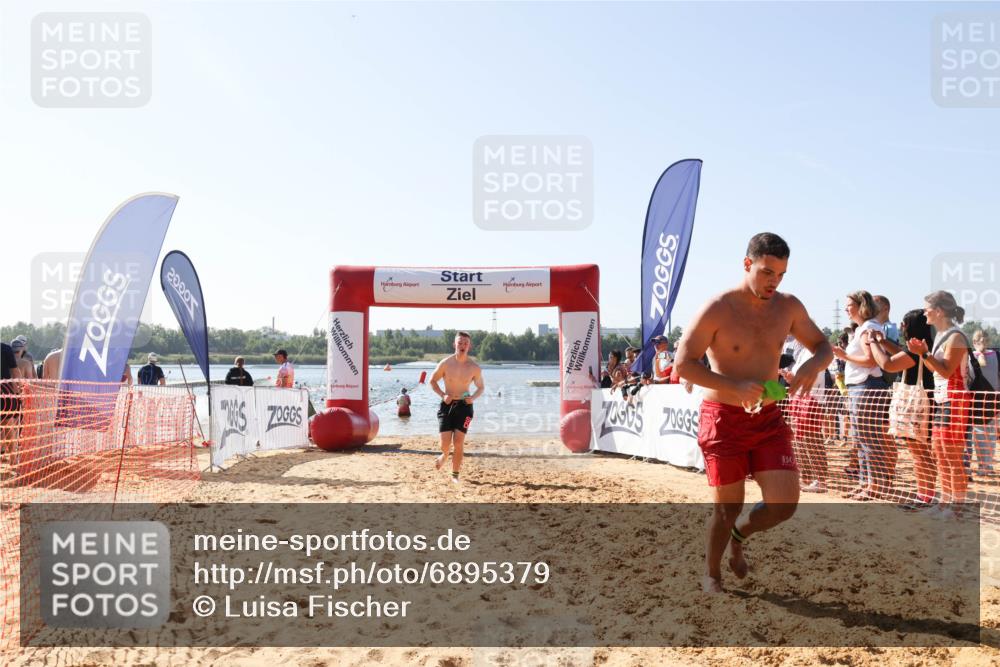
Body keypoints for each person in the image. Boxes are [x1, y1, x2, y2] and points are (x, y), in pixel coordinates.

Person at [674, 232, 832, 594]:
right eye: (767, 272)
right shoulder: (718, 307)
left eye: (780, 275)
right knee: (726, 509)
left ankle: (740, 535)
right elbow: (684, 364)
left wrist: (813, 366)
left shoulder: (788, 307)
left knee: (784, 505)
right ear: (747, 265)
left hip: (769, 415)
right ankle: (712, 574)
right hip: (723, 418)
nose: (774, 282)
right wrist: (735, 387)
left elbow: (824, 347)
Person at [905, 291, 971, 520]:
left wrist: (924, 353)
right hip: (944, 398)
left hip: (955, 399)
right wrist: (923, 354)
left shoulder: (956, 337)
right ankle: (944, 503)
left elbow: (946, 370)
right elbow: (936, 370)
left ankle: (957, 507)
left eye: (927, 309)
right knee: (939, 452)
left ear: (939, 311)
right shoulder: (944, 335)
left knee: (952, 454)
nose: (925, 313)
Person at [867, 309, 937, 509]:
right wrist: (882, 342)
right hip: (924, 406)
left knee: (919, 455)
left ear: (911, 327)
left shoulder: (915, 352)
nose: (901, 327)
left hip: (917, 409)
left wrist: (872, 343)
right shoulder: (924, 348)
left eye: (904, 324)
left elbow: (887, 364)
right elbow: (899, 351)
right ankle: (926, 495)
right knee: (922, 453)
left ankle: (924, 496)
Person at [831, 290, 889, 501]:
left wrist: (843, 355)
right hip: (860, 387)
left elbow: (871, 361)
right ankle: (866, 484)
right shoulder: (863, 329)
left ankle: (874, 486)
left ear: (860, 305)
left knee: (869, 440)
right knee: (862, 439)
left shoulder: (868, 328)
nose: (846, 309)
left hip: (866, 387)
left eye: (849, 305)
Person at [430, 332, 485, 484]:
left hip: (465, 407)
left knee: (459, 442)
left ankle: (455, 475)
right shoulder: (445, 363)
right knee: (445, 444)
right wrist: (442, 395)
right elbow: (432, 381)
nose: (462, 346)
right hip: (446, 405)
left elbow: (481, 387)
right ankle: (445, 455)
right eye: (460, 343)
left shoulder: (474, 367)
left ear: (469, 346)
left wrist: (472, 398)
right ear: (454, 344)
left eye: (465, 343)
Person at [966, 330, 998, 477]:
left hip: (976, 401)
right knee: (991, 435)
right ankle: (987, 465)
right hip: (995, 400)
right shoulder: (997, 356)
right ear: (989, 340)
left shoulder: (969, 357)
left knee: (978, 435)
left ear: (973, 342)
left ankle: (980, 466)